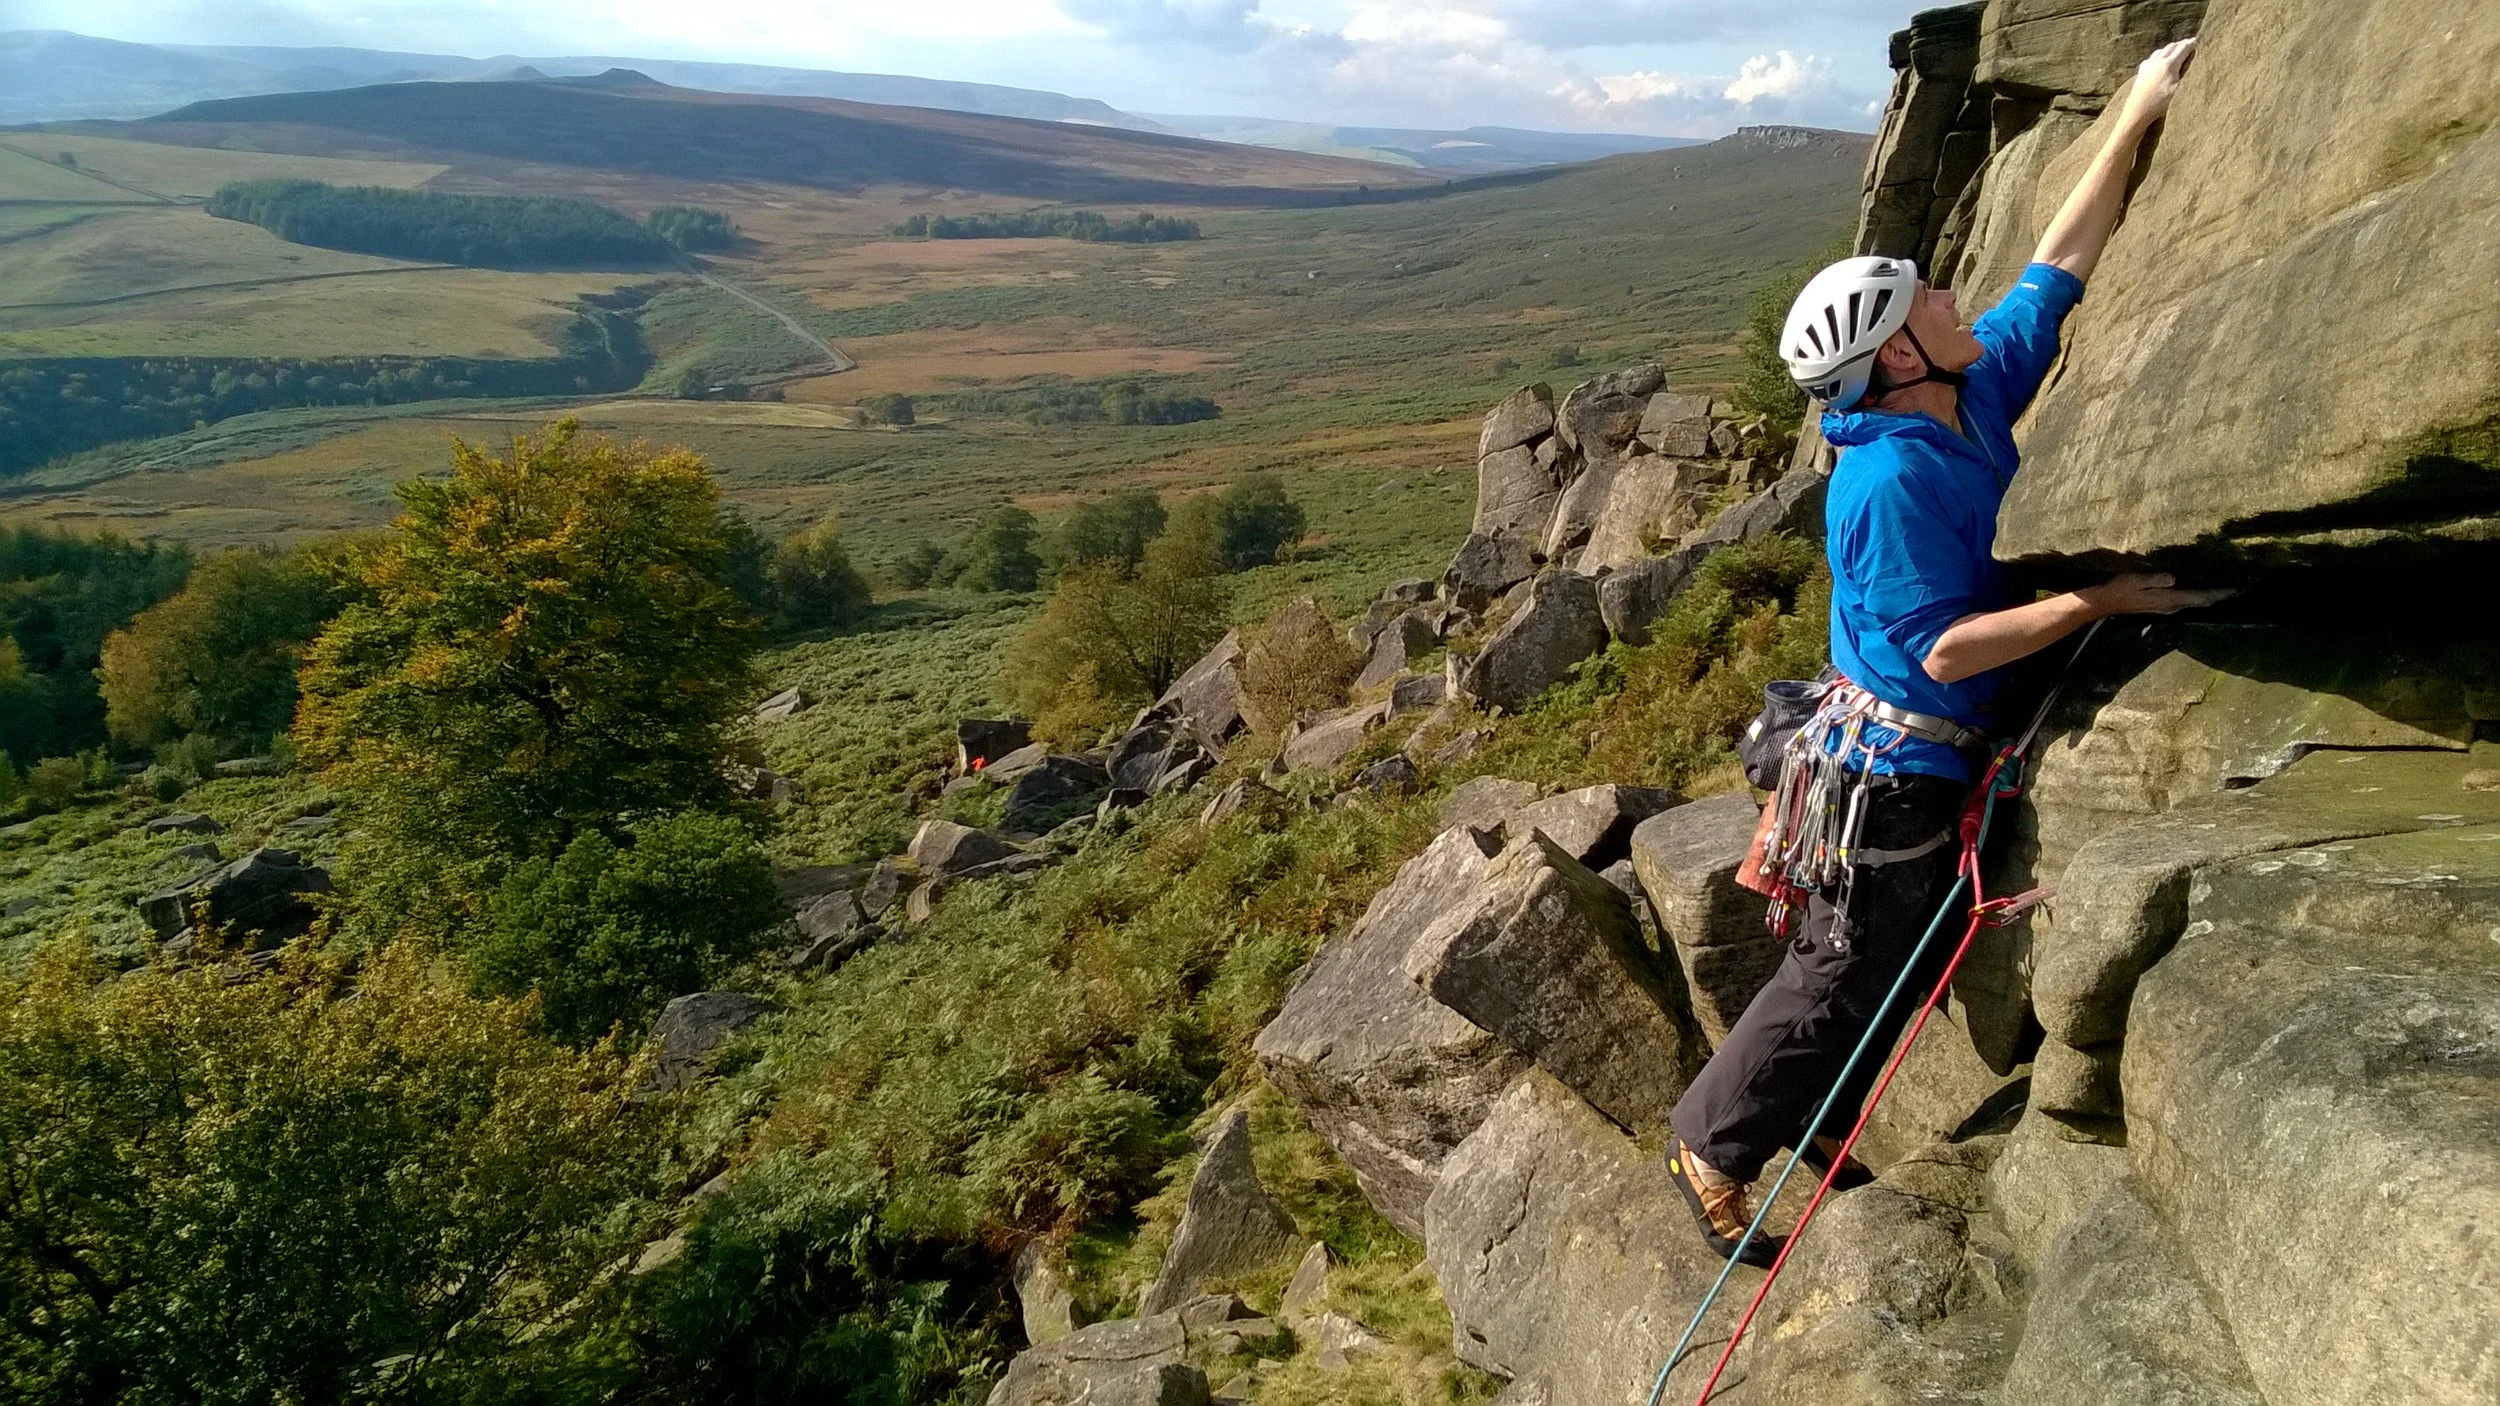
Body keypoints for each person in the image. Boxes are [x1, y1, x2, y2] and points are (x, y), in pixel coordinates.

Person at [1665, 37, 2230, 1267]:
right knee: (1841, 969)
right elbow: (1948, 648)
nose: (1949, 297)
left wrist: (2134, 110)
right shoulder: (1890, 477)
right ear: (1898, 359)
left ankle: (1806, 1119)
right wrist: (2098, 598)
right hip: (1886, 771)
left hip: (1910, 753)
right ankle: (1711, 1144)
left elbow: (2056, 263)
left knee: (1892, 964)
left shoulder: (1965, 391)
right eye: (1926, 299)